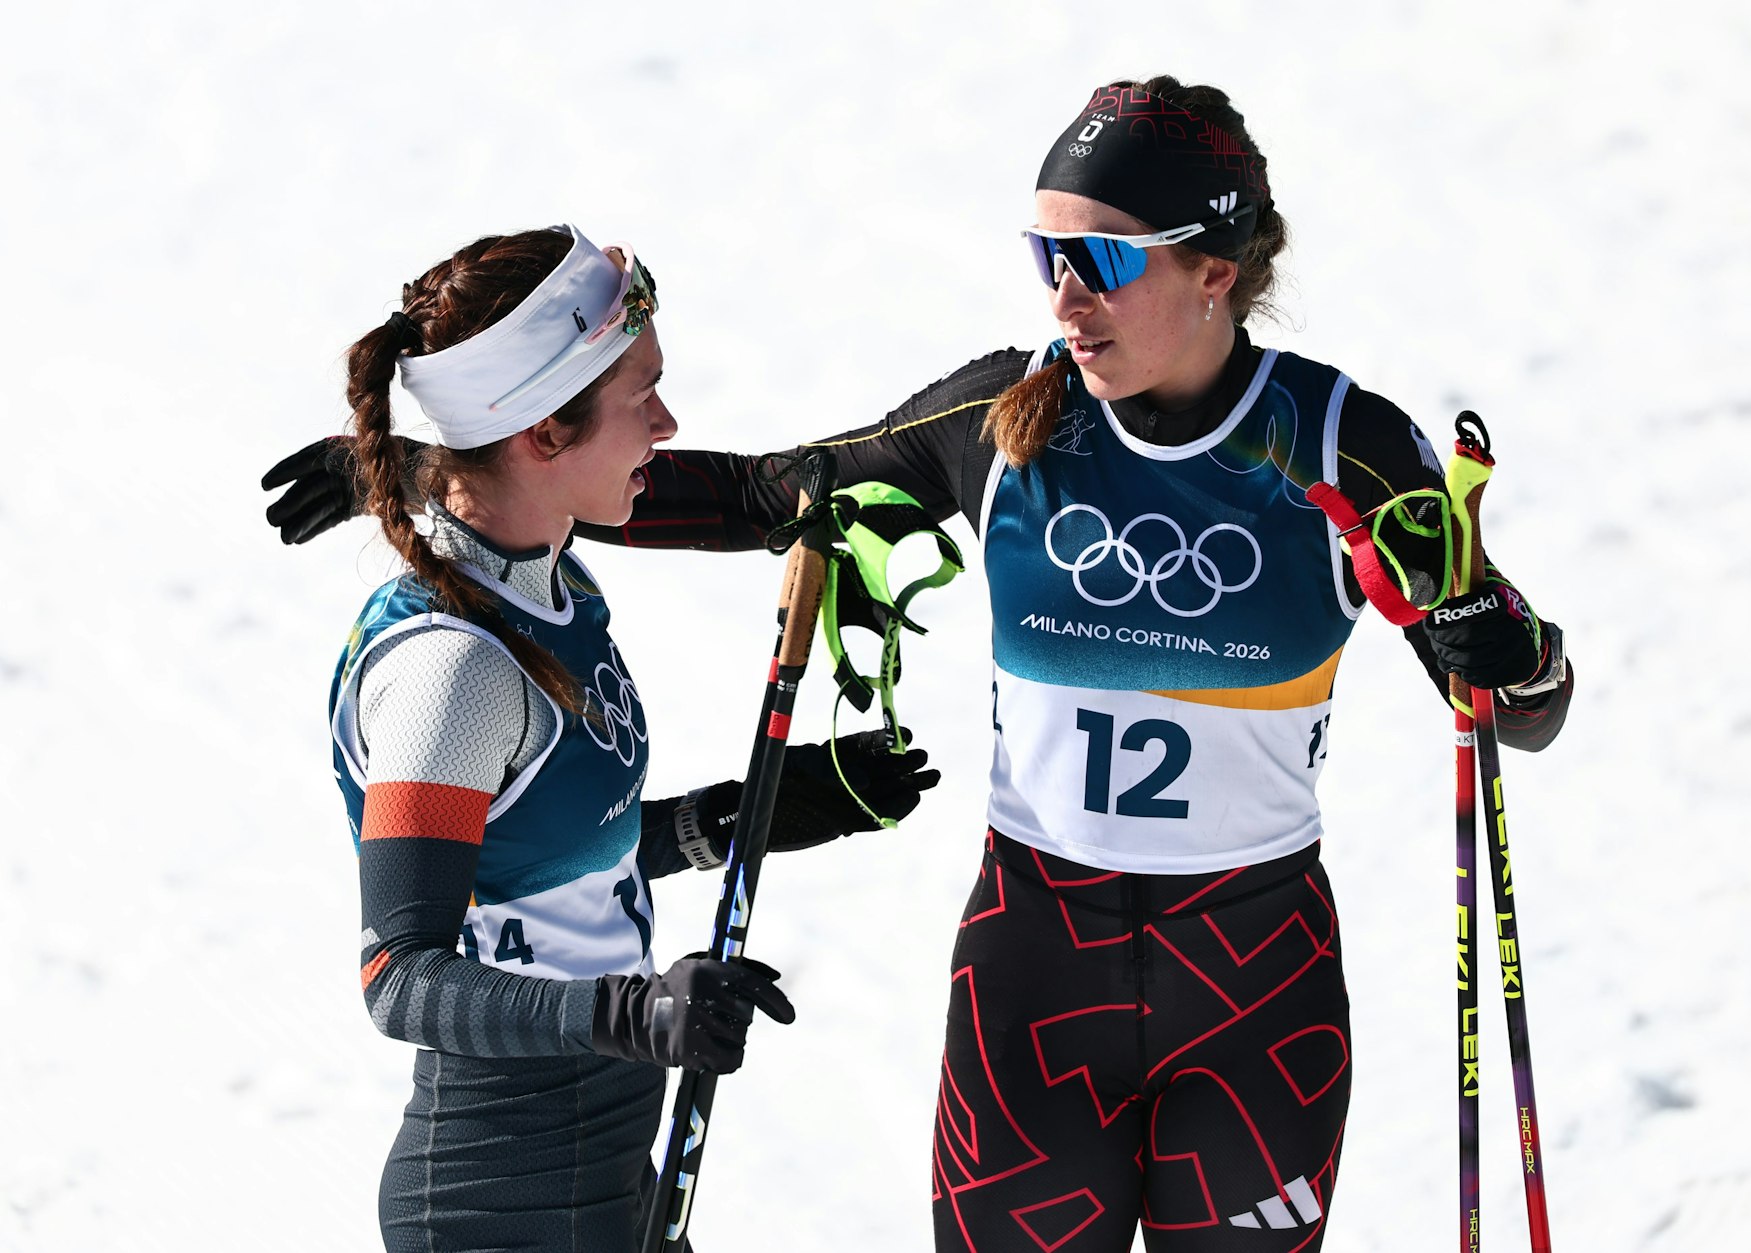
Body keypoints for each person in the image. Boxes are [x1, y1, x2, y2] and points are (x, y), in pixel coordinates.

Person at [266, 79, 1572, 1252]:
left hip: (1251, 976)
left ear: (1215, 268)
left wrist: (1503, 651)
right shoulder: (1005, 417)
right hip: (1037, 965)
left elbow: (1520, 703)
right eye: (1046, 254)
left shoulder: (1344, 446)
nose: (1064, 292)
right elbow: (762, 497)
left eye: (1101, 257)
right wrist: (433, 459)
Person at [305, 223, 939, 1253]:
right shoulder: (448, 667)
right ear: (544, 429)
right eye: (639, 394)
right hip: (493, 1203)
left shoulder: (555, 589)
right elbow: (401, 976)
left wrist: (741, 817)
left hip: (611, 1177)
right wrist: (635, 1012)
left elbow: (550, 871)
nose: (666, 422)